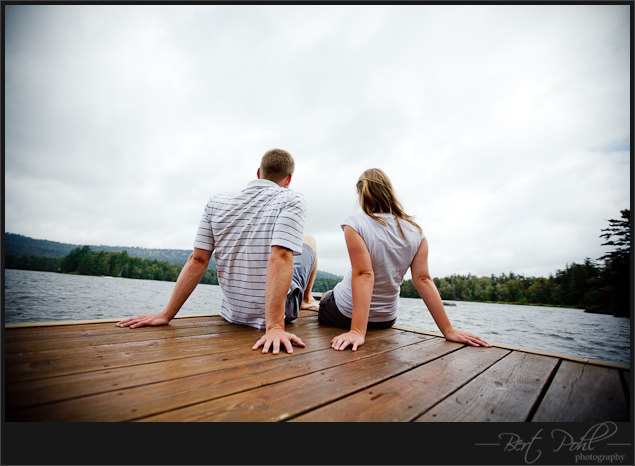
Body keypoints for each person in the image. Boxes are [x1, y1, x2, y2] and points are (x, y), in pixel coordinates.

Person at [116, 149, 319, 355]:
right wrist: (275, 327)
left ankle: (303, 300)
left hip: (233, 313)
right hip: (280, 313)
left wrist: (166, 314)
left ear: (259, 173)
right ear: (289, 179)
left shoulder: (216, 202)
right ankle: (305, 300)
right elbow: (280, 256)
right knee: (309, 241)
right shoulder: (291, 199)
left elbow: (197, 260)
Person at [318, 168, 491, 351]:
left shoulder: (355, 224)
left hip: (345, 314)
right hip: (386, 319)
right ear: (389, 193)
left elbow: (364, 275)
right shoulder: (415, 231)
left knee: (326, 296)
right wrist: (448, 330)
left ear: (361, 195)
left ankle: (326, 298)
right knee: (332, 293)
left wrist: (357, 331)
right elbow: (423, 279)